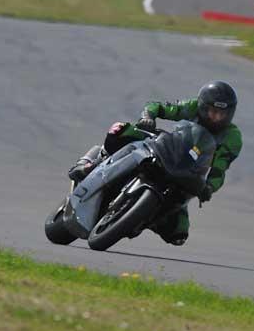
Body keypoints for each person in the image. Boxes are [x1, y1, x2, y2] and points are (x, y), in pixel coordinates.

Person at [67, 81, 243, 245]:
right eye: (213, 111)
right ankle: (94, 161)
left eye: (222, 114)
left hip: (189, 172)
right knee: (122, 130)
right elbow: (159, 107)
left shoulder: (232, 137)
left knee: (178, 234)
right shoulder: (191, 107)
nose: (217, 117)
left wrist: (210, 187)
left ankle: (142, 218)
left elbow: (220, 169)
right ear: (203, 106)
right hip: (165, 149)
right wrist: (148, 116)